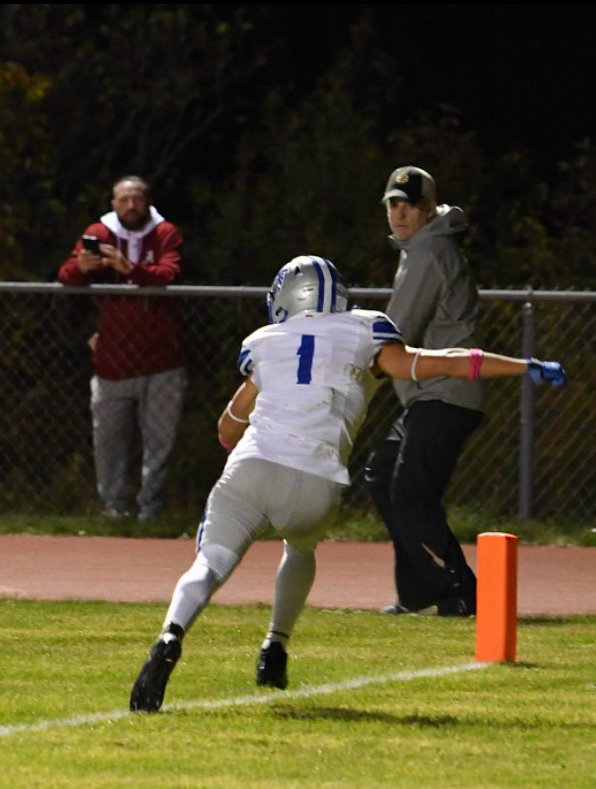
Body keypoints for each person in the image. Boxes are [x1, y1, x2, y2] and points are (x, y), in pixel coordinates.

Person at [128, 255, 566, 712]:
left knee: (210, 563)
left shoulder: (265, 342)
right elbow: (445, 363)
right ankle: (274, 647)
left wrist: (235, 429)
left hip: (254, 466)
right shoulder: (365, 329)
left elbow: (228, 426)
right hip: (317, 483)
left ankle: (170, 635)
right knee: (299, 548)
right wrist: (523, 366)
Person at [363, 166, 484, 617]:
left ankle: (464, 594)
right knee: (382, 477)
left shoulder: (430, 251)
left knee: (411, 495)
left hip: (446, 395)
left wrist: (352, 358)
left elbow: (397, 329)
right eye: (393, 203)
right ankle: (418, 592)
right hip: (428, 395)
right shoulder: (421, 247)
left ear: (428, 208)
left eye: (409, 204)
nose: (399, 212)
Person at [57, 175, 184, 522]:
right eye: (124, 199)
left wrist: (131, 269)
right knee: (109, 441)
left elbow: (170, 274)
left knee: (160, 443)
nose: (131, 205)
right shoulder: (100, 232)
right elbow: (67, 275)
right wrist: (80, 269)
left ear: (147, 202)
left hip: (161, 360)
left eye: (137, 199)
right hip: (111, 360)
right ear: (113, 204)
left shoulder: (164, 233)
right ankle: (114, 508)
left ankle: (150, 512)